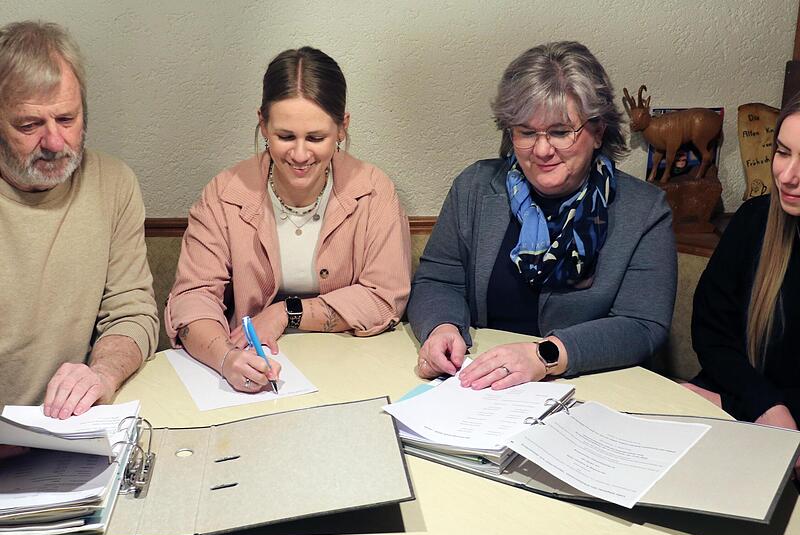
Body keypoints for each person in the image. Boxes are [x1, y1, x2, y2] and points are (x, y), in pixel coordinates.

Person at [408, 41, 676, 389]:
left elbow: (641, 325)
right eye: (526, 132)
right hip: (484, 388)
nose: (542, 149)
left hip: (595, 388)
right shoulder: (474, 188)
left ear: (597, 132)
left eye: (561, 132)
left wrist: (545, 355)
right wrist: (441, 327)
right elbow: (438, 281)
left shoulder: (644, 210)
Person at [166, 47, 411, 393]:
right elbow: (192, 297)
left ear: (342, 128)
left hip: (353, 370)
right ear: (263, 124)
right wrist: (226, 359)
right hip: (253, 369)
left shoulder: (374, 191)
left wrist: (286, 313)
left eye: (316, 138)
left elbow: (384, 300)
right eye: (285, 137)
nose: (299, 154)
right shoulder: (224, 194)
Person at [0, 21, 158, 419]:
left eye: (67, 119)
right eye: (29, 125)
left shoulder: (114, 182)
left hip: (71, 429)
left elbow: (132, 311)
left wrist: (102, 374)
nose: (55, 143)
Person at [689, 95, 800, 441]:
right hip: (745, 406)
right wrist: (761, 405)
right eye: (783, 152)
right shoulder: (754, 220)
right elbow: (711, 334)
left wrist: (738, 406)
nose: (788, 176)